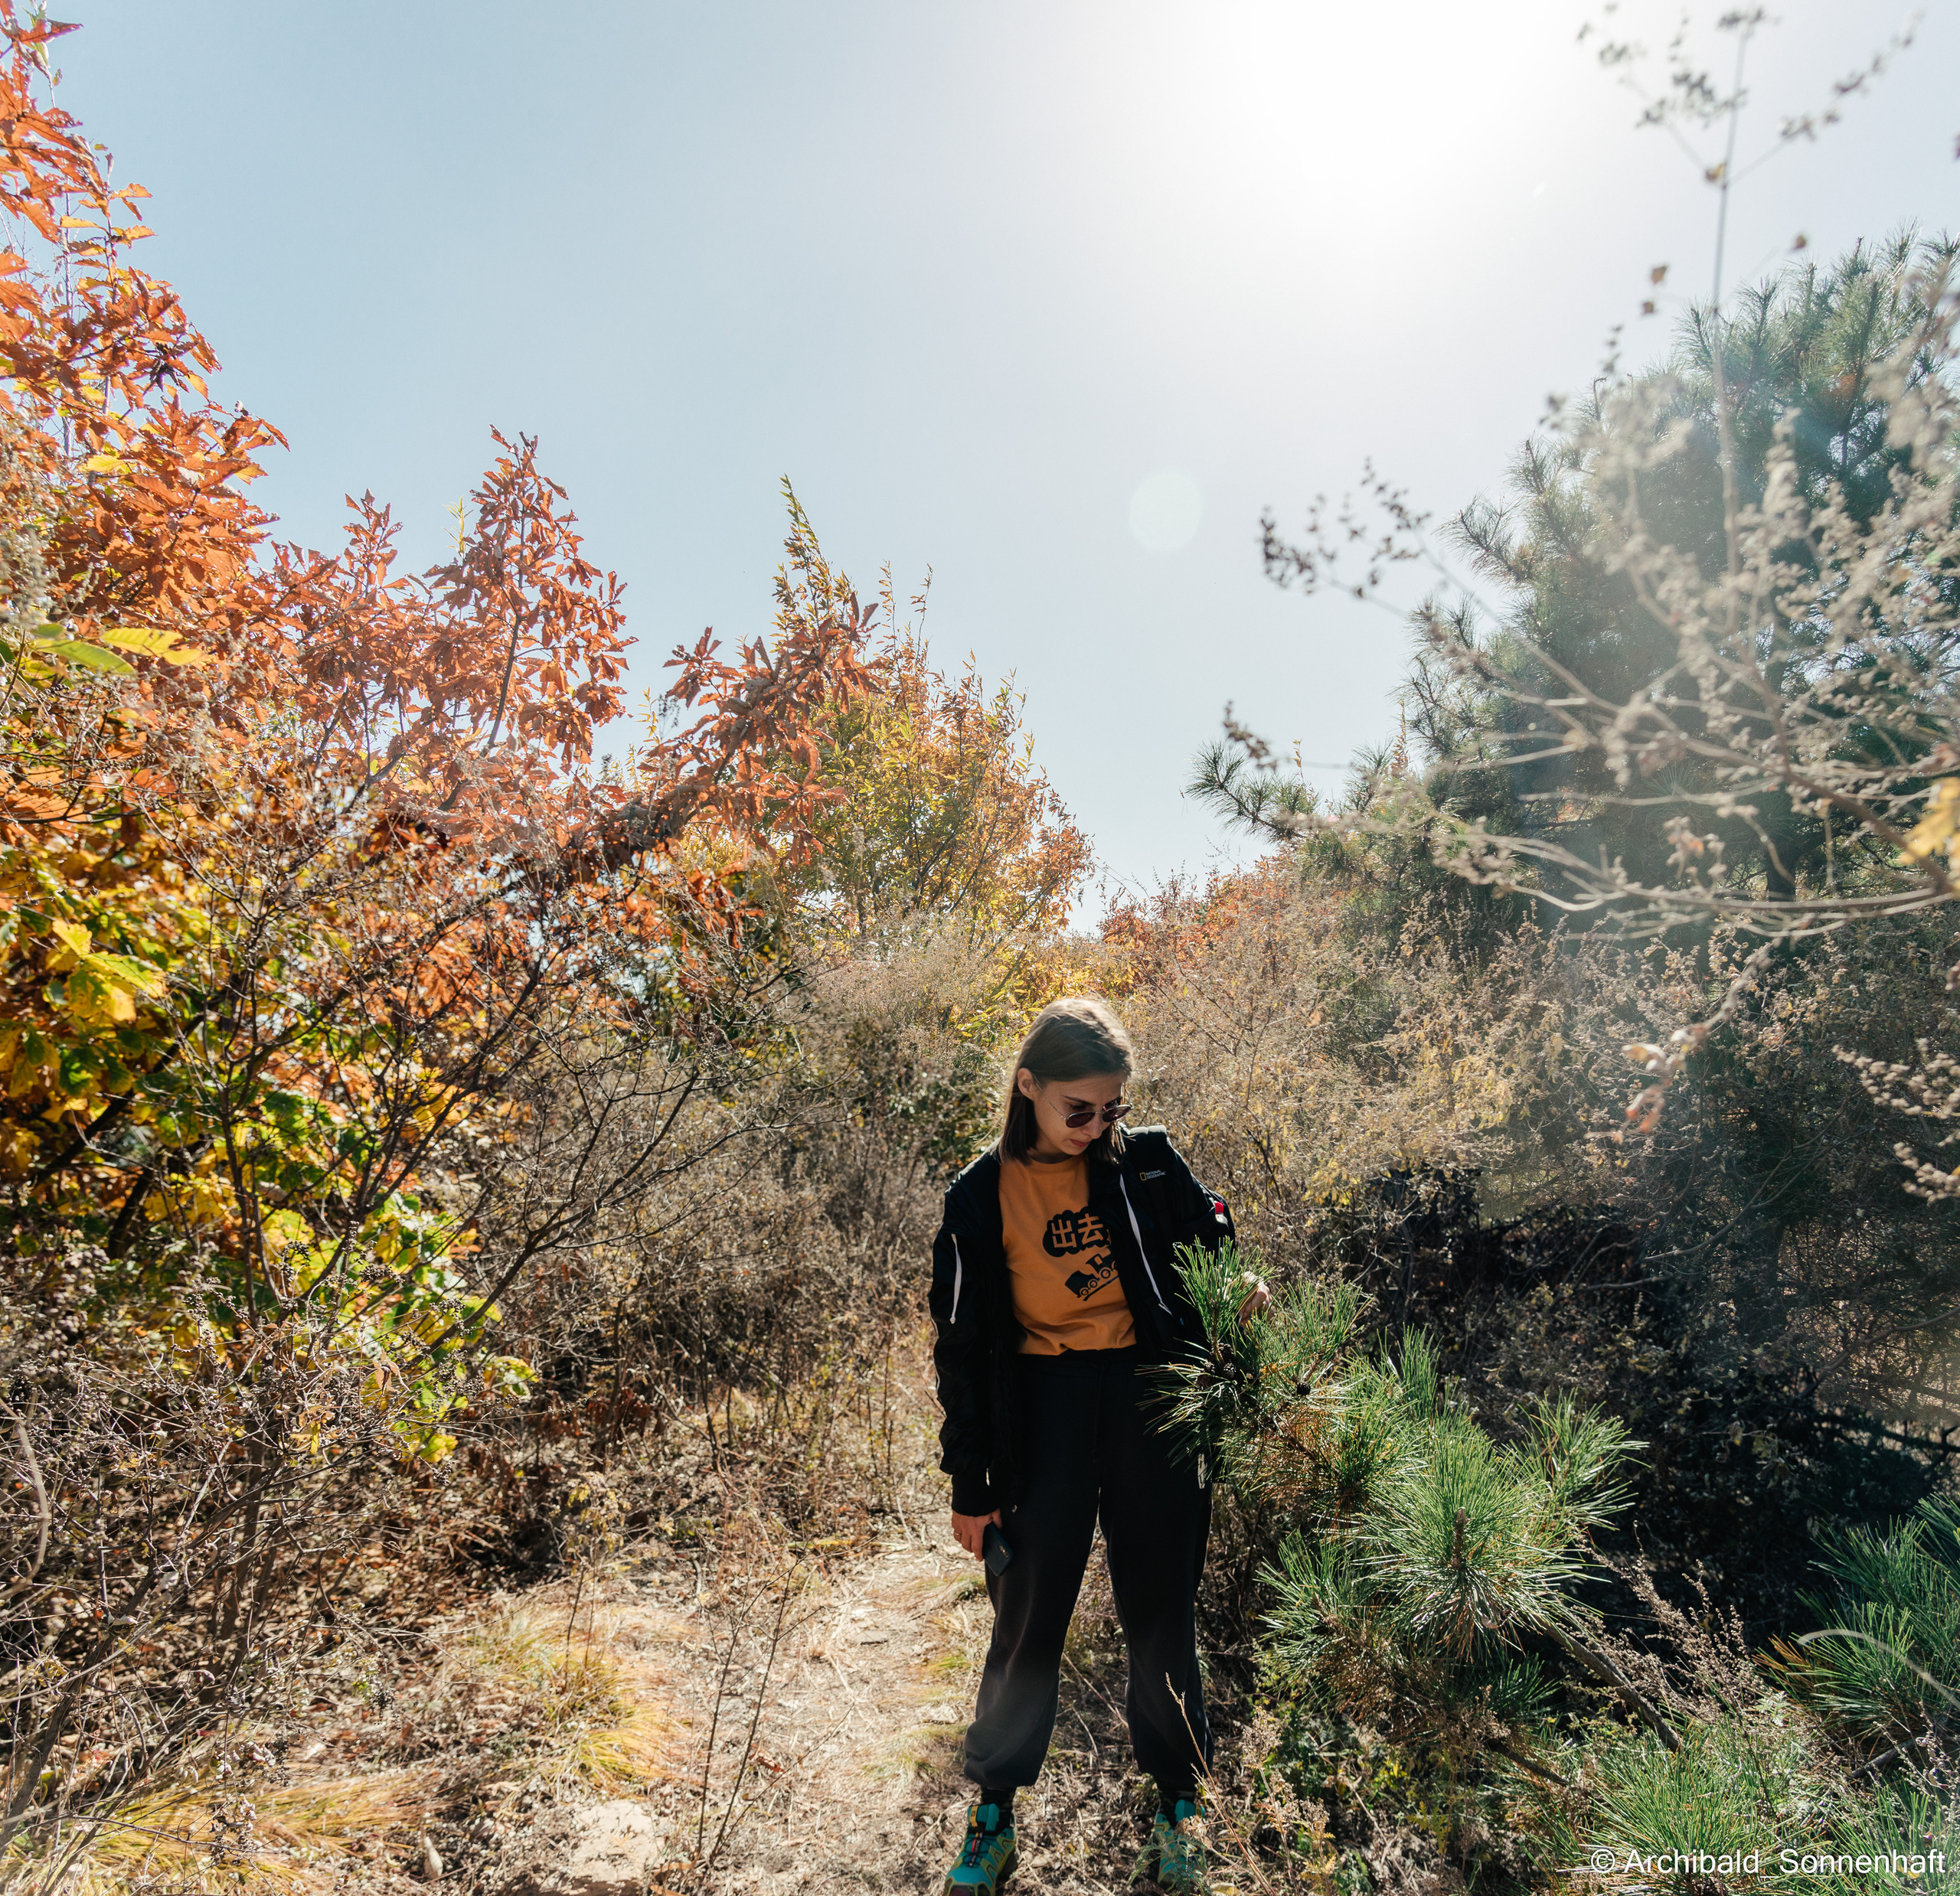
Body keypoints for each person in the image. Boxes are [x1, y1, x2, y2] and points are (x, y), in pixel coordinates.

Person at [928, 997, 1245, 1895]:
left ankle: (1179, 1804)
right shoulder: (976, 1194)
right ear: (1027, 1085)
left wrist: (1233, 1297)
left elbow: (1210, 1249)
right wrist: (971, 1479)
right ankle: (993, 1813)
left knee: (1161, 1608)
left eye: (1111, 1107)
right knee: (1026, 1617)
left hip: (1148, 1401)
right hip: (1044, 1412)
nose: (1098, 1125)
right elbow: (958, 1345)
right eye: (1080, 1108)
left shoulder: (1144, 1164)